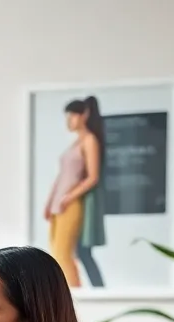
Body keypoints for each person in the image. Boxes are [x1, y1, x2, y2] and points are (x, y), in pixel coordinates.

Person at [44, 96, 107, 288]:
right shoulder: (75, 143)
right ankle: (72, 293)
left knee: (64, 254)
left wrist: (68, 197)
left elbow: (92, 177)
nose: (68, 121)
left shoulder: (90, 141)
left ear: (84, 115)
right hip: (58, 205)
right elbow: (61, 176)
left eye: (72, 116)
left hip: (71, 205)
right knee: (56, 254)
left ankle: (74, 296)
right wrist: (49, 202)